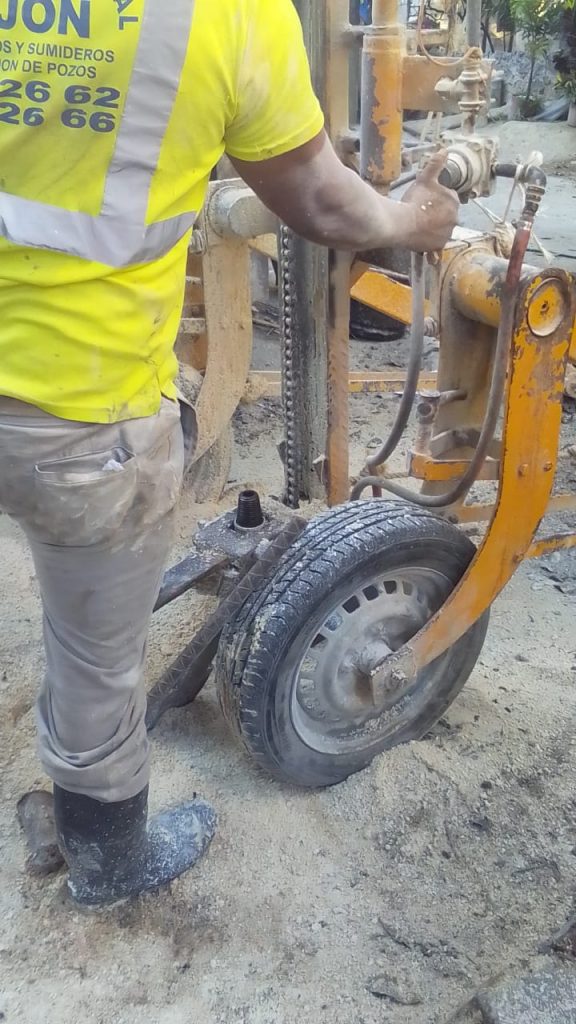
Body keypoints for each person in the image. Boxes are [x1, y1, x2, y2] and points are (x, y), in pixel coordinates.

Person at [0, 0, 459, 909]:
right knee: (95, 657)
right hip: (81, 413)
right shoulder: (228, 13)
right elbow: (322, 200)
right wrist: (415, 221)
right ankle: (106, 853)